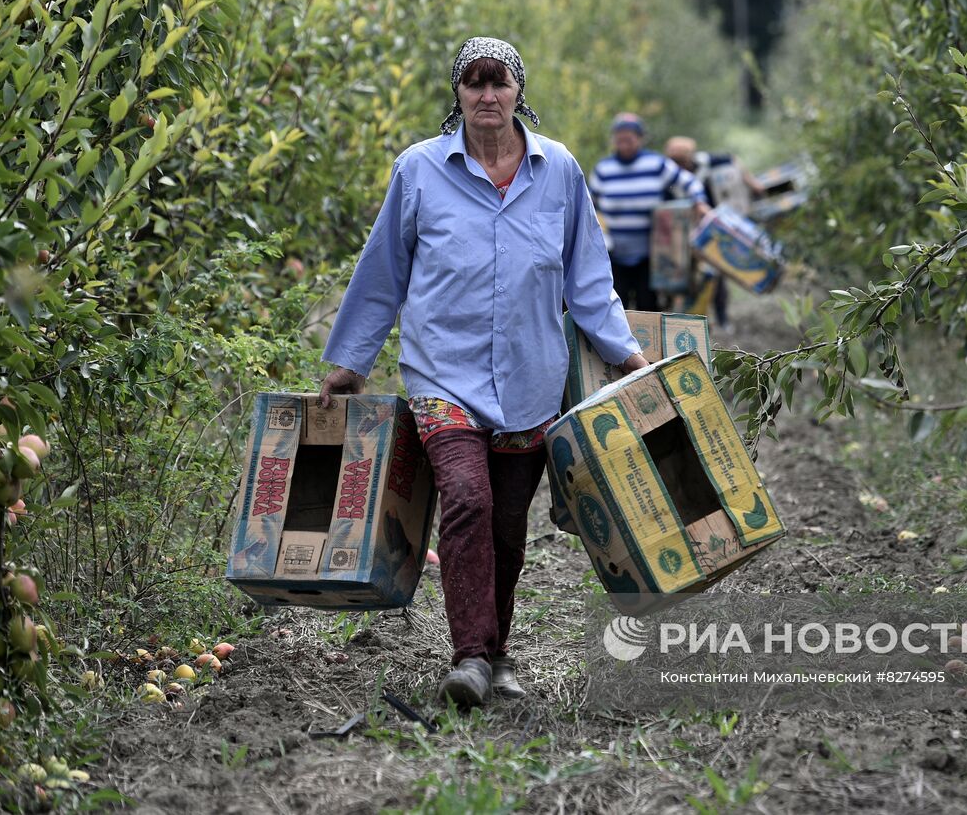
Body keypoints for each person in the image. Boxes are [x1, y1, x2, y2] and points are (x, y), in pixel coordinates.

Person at [317, 37, 648, 708]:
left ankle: (496, 651)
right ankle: (469, 655)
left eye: (499, 83)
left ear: (520, 91)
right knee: (467, 498)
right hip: (445, 375)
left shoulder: (558, 171)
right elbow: (383, 272)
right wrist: (350, 361)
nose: (487, 96)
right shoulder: (418, 171)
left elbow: (587, 277)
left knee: (506, 522)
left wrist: (628, 353)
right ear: (458, 94)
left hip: (531, 380)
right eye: (474, 84)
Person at [589, 114, 709, 311]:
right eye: (620, 138)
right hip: (613, 254)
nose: (624, 143)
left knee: (648, 305)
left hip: (650, 255)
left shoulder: (656, 164)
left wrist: (699, 202)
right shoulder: (604, 170)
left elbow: (690, 182)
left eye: (630, 138)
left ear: (640, 138)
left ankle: (648, 342)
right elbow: (588, 204)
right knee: (617, 307)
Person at [662, 136, 765, 332]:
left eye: (681, 159)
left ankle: (721, 318)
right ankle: (687, 322)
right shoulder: (666, 173)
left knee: (716, 275)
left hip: (711, 227)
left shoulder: (705, 162)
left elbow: (732, 159)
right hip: (680, 231)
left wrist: (751, 182)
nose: (678, 164)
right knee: (684, 278)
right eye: (674, 159)